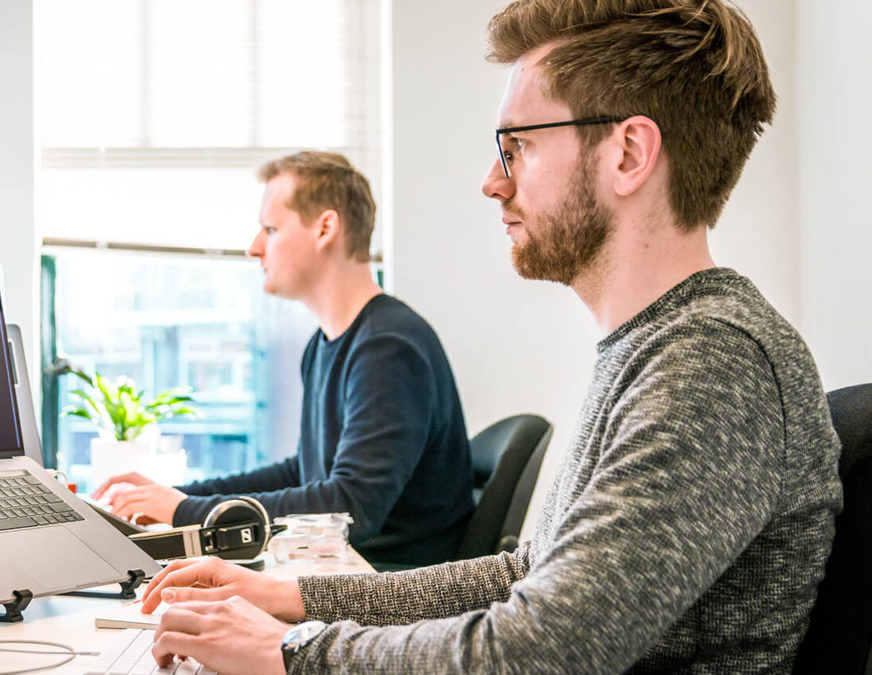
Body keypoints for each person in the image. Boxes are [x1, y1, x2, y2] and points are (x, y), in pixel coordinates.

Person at [134, 1, 843, 673]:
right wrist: (291, 598)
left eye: (518, 147)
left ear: (628, 153)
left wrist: (292, 653)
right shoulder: (656, 346)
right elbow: (526, 575)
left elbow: (538, 652)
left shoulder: (712, 363)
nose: (491, 182)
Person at [92, 151, 475, 567]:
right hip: (346, 571)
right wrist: (182, 496)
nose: (254, 248)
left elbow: (349, 508)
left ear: (325, 228)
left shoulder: (388, 348)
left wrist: (185, 512)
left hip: (387, 586)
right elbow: (304, 473)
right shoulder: (327, 344)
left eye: (271, 229)